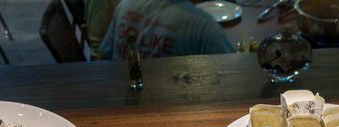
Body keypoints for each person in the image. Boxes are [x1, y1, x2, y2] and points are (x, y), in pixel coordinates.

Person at [99, 0, 236, 59]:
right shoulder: (203, 26)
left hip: (119, 103)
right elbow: (233, 74)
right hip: (176, 109)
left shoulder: (126, 4)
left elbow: (105, 52)